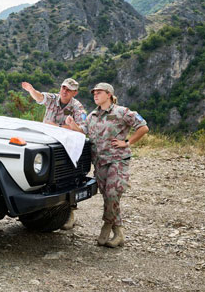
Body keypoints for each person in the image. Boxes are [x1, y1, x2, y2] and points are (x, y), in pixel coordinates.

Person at [65, 83, 149, 248]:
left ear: (109, 94)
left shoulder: (122, 112)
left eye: (99, 92)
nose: (95, 95)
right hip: (100, 162)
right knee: (109, 197)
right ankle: (119, 233)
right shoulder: (93, 115)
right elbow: (82, 131)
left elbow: (143, 127)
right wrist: (72, 124)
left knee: (112, 193)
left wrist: (127, 142)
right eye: (94, 92)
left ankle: (107, 224)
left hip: (117, 160)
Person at [22, 78, 87, 230]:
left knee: (66, 178)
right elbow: (40, 97)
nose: (64, 91)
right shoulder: (52, 98)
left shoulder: (77, 107)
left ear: (74, 93)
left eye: (69, 90)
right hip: (46, 144)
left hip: (65, 147)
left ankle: (69, 212)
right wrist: (31, 90)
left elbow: (82, 128)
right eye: (63, 87)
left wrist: (59, 126)